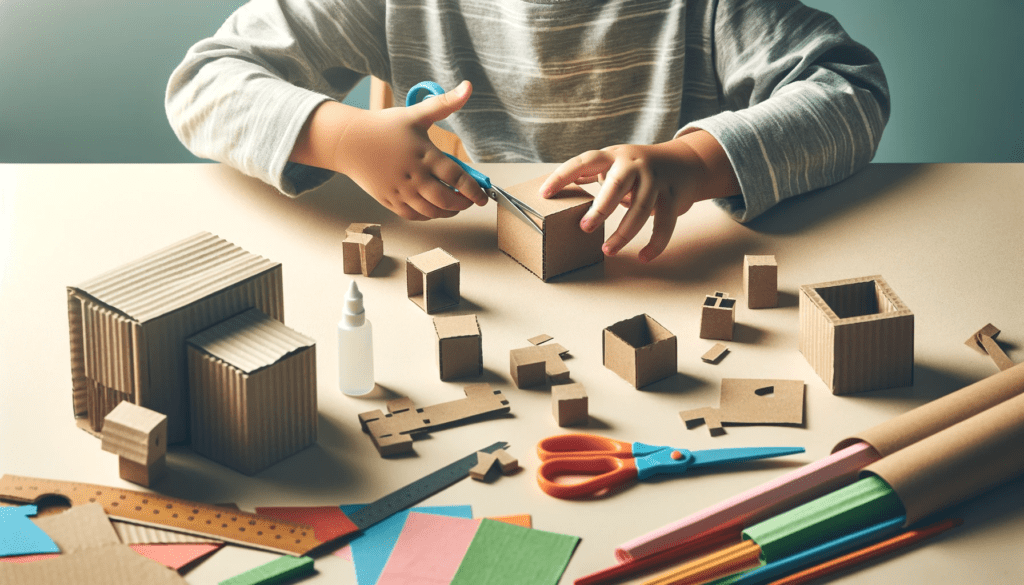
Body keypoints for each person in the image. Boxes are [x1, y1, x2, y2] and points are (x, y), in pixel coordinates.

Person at [166, 0, 889, 263]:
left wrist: (692, 164)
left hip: (650, 292)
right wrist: (341, 136)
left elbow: (851, 91)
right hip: (462, 287)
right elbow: (203, 83)